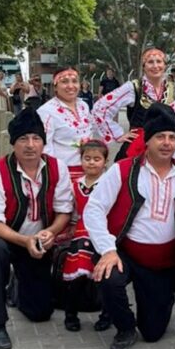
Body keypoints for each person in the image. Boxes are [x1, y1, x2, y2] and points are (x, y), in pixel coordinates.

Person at [83, 103, 175, 349]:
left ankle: (174, 307)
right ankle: (125, 328)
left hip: (163, 263)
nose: (167, 143)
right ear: (147, 140)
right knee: (109, 276)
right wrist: (107, 250)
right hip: (126, 253)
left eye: (172, 137)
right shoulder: (123, 169)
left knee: (153, 332)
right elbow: (93, 209)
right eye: (160, 136)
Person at [0, 108, 73, 349]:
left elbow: (64, 211)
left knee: (40, 313)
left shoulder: (57, 168)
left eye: (36, 138)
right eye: (23, 139)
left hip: (37, 242)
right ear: (13, 143)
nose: (30, 145)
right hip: (5, 238)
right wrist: (24, 241)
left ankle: (16, 286)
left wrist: (51, 232)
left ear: (43, 142)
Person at [38, 67, 126, 180]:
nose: (71, 86)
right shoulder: (46, 111)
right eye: (64, 82)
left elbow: (96, 125)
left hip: (91, 171)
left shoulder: (82, 106)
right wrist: (54, 177)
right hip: (65, 175)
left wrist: (118, 135)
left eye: (74, 81)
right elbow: (45, 148)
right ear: (55, 86)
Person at [91, 48, 175, 161]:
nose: (155, 66)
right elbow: (100, 108)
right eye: (150, 62)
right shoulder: (133, 87)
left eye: (159, 61)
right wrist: (118, 134)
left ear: (165, 65)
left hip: (165, 147)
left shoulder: (173, 88)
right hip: (138, 147)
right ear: (144, 67)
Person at [62, 139, 112, 333]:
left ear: (105, 162)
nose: (91, 163)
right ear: (81, 160)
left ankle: (107, 314)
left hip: (103, 232)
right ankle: (70, 314)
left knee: (104, 275)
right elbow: (73, 212)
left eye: (97, 159)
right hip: (81, 232)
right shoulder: (75, 185)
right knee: (77, 275)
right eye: (87, 158)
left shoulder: (109, 184)